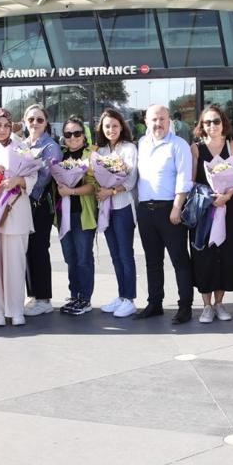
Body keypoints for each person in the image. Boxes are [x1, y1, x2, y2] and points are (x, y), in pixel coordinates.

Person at [134, 104, 195, 323]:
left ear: (169, 121)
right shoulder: (141, 144)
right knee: (152, 260)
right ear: (146, 122)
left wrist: (177, 207)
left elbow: (184, 178)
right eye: (153, 120)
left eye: (162, 119)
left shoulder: (179, 145)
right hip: (145, 210)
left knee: (179, 260)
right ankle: (155, 302)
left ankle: (185, 306)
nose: (158, 123)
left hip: (170, 210)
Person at [0, 108, 37, 327]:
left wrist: (18, 180)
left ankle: (15, 309)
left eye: (5, 125)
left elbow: (33, 175)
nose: (1, 130)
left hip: (16, 211)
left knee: (15, 262)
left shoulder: (22, 147)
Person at [190, 104, 233, 323]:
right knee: (204, 255)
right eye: (207, 122)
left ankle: (220, 303)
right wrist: (210, 197)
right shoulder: (195, 148)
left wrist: (226, 197)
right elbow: (191, 180)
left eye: (216, 121)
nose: (212, 126)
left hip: (227, 207)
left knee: (225, 254)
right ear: (202, 126)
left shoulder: (232, 146)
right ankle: (206, 305)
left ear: (224, 123)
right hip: (204, 208)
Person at [94, 108, 139, 318]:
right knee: (114, 255)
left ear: (122, 126)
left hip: (122, 208)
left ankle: (129, 299)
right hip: (106, 209)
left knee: (125, 254)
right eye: (107, 126)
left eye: (114, 125)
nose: (111, 129)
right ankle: (121, 296)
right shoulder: (100, 151)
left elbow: (130, 181)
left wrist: (111, 190)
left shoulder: (129, 148)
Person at [56, 115, 97, 315]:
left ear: (84, 135)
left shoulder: (91, 155)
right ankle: (75, 295)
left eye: (77, 133)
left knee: (83, 257)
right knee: (70, 257)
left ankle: (85, 298)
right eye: (68, 134)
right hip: (63, 214)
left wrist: (71, 191)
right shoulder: (60, 155)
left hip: (82, 214)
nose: (72, 137)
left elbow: (93, 186)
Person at [22, 104, 60, 317]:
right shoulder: (22, 144)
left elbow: (45, 176)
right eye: (31, 119)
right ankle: (33, 294)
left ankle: (44, 298)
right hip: (22, 203)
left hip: (39, 204)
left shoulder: (50, 146)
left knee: (39, 250)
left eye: (39, 120)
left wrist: (22, 185)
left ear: (46, 123)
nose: (35, 123)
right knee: (26, 251)